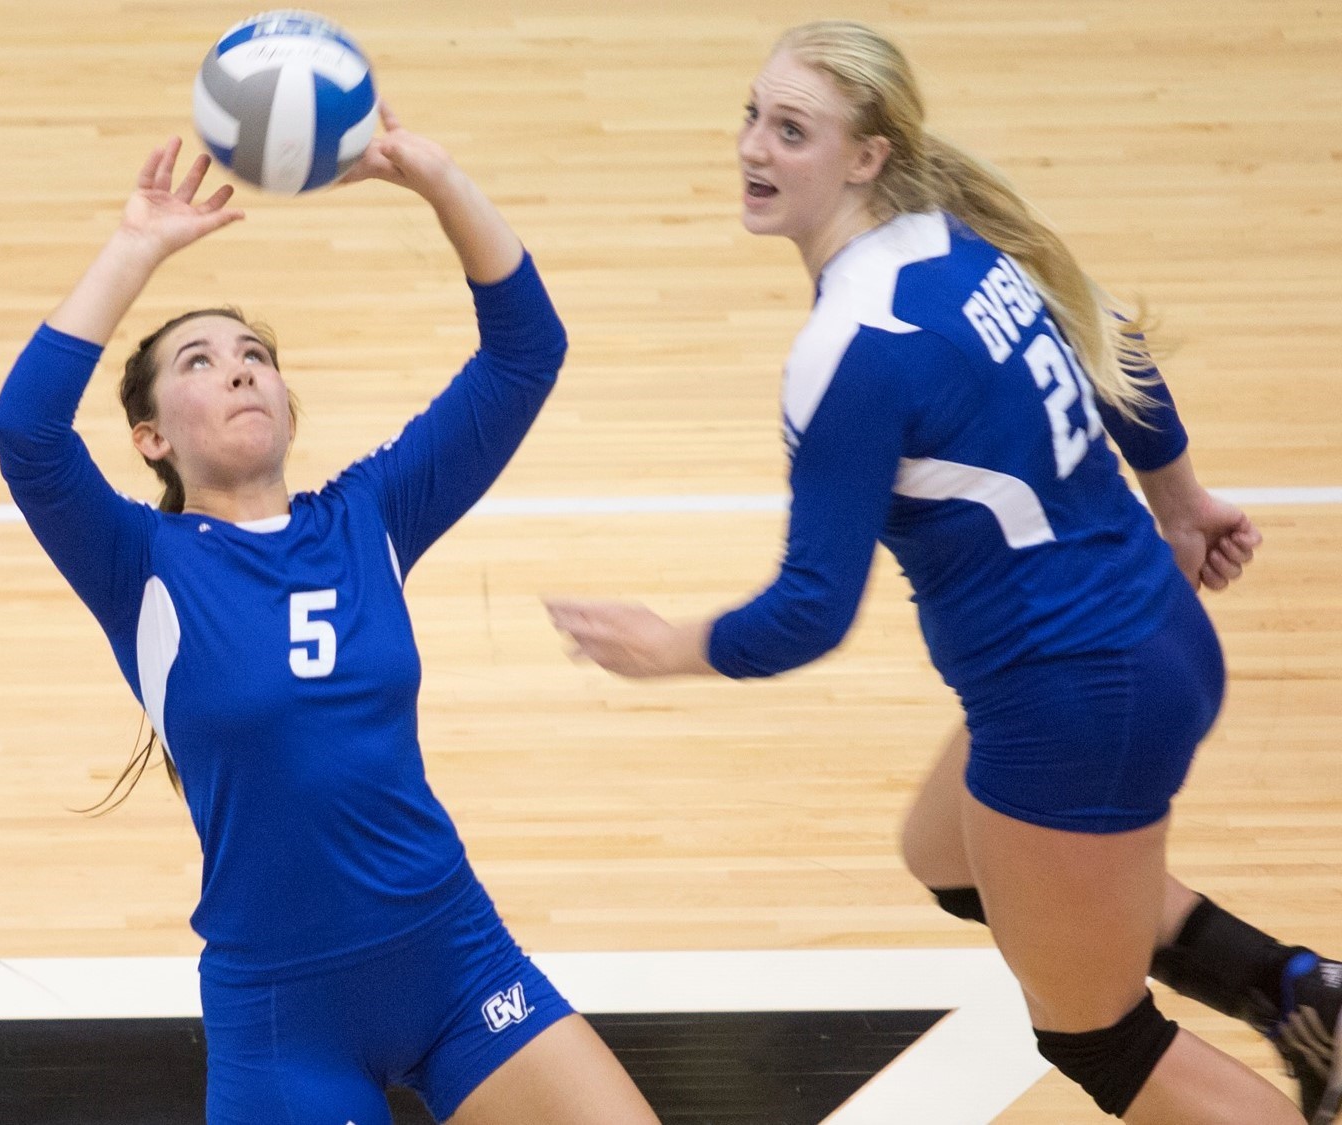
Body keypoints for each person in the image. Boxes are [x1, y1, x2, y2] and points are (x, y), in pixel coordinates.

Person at [544, 20, 1340, 1125]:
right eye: (752, 117)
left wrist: (664, 647)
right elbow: (1120, 353)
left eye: (791, 131)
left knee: (1100, 1040)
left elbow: (809, 612)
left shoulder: (852, 351)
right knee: (948, 856)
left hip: (1073, 695)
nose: (753, 150)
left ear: (865, 156)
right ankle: (1297, 993)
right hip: (1145, 639)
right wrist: (1182, 503)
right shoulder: (957, 239)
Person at [0, 111, 656, 1125]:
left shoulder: (370, 518)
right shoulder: (140, 566)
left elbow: (525, 354)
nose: (240, 368)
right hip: (283, 1013)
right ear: (149, 439)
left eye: (253, 353)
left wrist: (437, 179)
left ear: (289, 402)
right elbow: (25, 431)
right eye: (198, 363)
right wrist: (135, 247)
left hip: (455, 961)